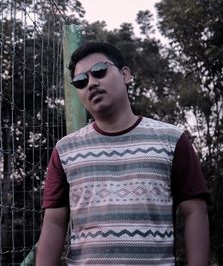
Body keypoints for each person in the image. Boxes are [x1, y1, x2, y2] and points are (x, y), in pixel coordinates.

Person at [36, 42, 209, 265]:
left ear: (125, 74)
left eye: (99, 71)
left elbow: (196, 212)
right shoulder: (65, 150)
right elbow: (54, 223)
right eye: (81, 81)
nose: (92, 83)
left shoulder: (172, 139)